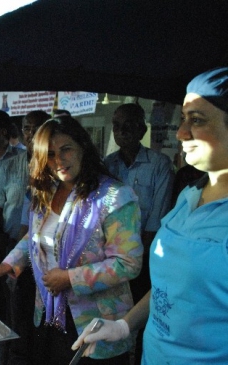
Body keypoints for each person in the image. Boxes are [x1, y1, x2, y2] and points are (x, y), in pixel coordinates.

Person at [73, 67, 228, 365]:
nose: (182, 133)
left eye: (196, 120)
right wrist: (124, 325)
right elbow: (168, 287)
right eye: (183, 119)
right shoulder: (189, 196)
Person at [0, 115, 143, 365]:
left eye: (66, 149)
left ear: (83, 148)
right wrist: (7, 265)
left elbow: (128, 263)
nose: (58, 161)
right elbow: (34, 239)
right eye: (51, 154)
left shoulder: (115, 196)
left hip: (97, 321)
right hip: (48, 313)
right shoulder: (47, 191)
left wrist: (70, 278)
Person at [0, 109, 50, 364]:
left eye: (38, 128)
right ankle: (21, 354)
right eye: (26, 128)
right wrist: (0, 248)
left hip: (54, 258)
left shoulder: (59, 170)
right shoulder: (17, 167)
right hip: (17, 247)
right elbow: (1, 207)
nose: (31, 134)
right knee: (20, 308)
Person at [104, 103, 174, 303]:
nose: (121, 131)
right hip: (109, 254)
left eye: (129, 125)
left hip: (142, 254)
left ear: (142, 130)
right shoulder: (107, 164)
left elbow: (155, 220)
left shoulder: (159, 164)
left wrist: (137, 260)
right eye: (116, 126)